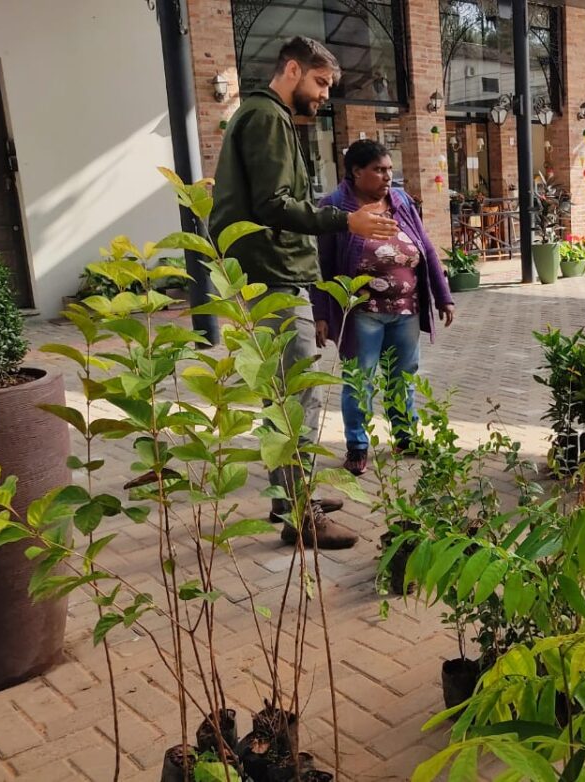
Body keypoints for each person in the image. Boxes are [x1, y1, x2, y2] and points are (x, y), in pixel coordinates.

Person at [211, 36, 397, 550]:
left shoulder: (262, 115)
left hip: (267, 271)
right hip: (271, 273)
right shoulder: (267, 117)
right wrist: (346, 220)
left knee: (285, 394)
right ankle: (300, 515)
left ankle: (290, 496)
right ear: (292, 70)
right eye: (319, 83)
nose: (323, 96)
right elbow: (274, 205)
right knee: (300, 396)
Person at [312, 140, 455, 477]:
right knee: (359, 381)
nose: (387, 176)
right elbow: (321, 264)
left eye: (389, 169)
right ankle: (357, 447)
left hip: (407, 309)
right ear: (356, 172)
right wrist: (321, 313)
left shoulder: (401, 201)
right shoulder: (335, 207)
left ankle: (405, 437)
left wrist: (443, 294)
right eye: (378, 170)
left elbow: (427, 249)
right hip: (362, 312)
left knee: (403, 378)